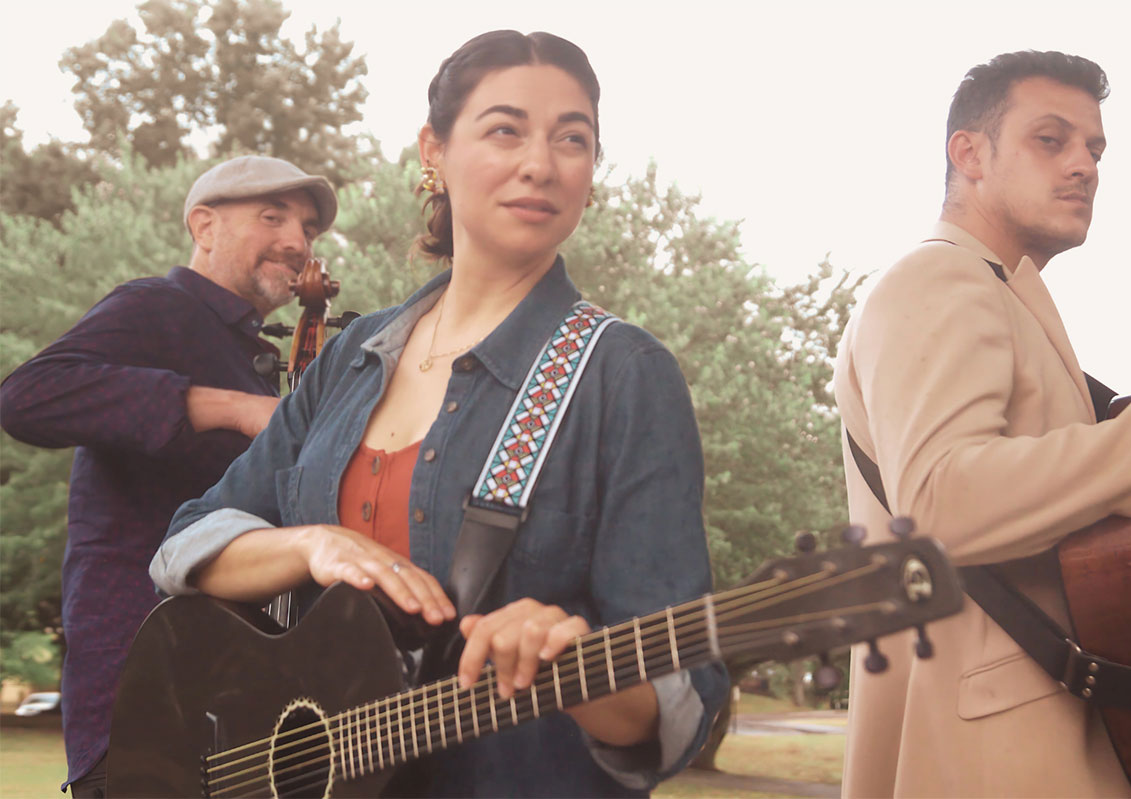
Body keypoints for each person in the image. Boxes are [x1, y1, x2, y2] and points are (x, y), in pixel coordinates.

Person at [151, 30, 728, 797]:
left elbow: (682, 690)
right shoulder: (354, 356)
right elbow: (189, 542)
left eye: (573, 139)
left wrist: (577, 669)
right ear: (434, 151)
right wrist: (312, 544)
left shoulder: (622, 374)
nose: (541, 163)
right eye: (505, 129)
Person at [833, 50, 1131, 797]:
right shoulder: (939, 276)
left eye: (1094, 148)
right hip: (998, 743)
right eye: (1050, 139)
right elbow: (941, 502)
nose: (1084, 165)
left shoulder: (1000, 293)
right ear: (968, 153)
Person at [0, 154, 338, 797]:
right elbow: (26, 397)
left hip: (241, 698)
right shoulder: (156, 306)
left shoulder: (257, 357)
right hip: (143, 695)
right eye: (273, 216)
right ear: (205, 227)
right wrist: (229, 408)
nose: (297, 242)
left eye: (309, 230)